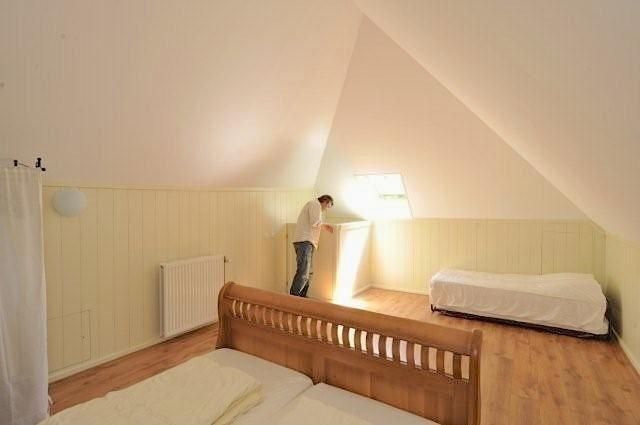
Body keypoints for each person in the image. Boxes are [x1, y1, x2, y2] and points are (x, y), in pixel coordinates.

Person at [289, 195, 334, 297]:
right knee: (303, 272)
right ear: (325, 201)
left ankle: (302, 298)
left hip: (306, 242)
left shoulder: (313, 205)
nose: (326, 209)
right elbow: (314, 222)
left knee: (308, 273)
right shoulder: (315, 204)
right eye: (328, 206)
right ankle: (293, 299)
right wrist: (325, 225)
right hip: (304, 242)